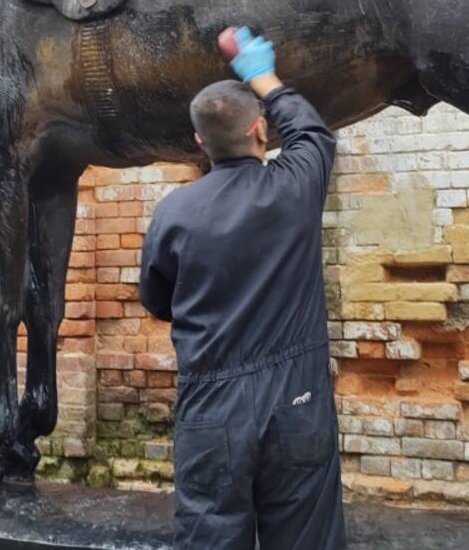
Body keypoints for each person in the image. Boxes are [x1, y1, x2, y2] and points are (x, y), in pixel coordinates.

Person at [139, 27, 344, 550]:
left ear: (200, 144)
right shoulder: (295, 187)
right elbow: (312, 133)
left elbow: (158, 301)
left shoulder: (172, 213)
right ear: (261, 131)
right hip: (296, 400)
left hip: (212, 408)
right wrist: (260, 75)